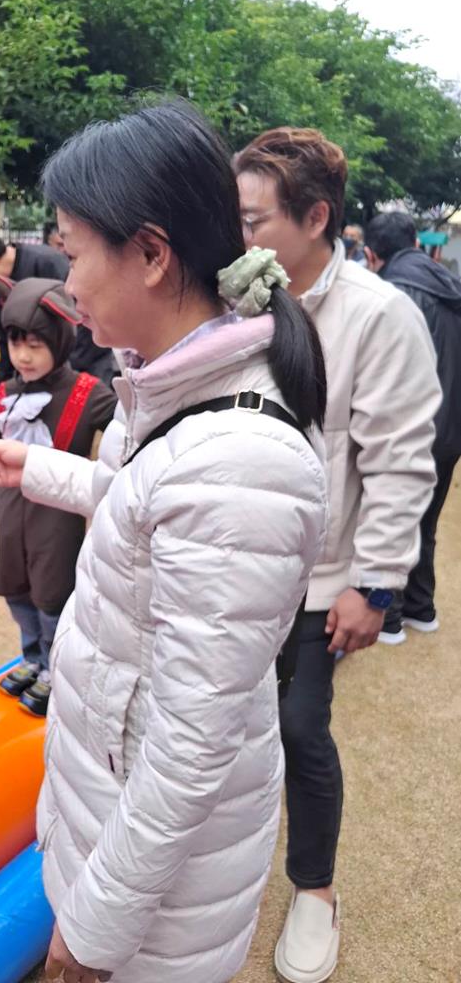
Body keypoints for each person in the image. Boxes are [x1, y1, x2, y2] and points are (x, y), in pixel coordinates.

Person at [0, 99, 329, 983]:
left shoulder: (240, 461)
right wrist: (39, 468)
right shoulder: (167, 387)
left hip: (157, 903)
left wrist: (94, 931)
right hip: (110, 812)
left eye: (72, 251)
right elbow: (146, 510)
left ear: (153, 255)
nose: (64, 283)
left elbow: (188, 752)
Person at [234, 128, 440, 983]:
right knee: (220, 714)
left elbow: (400, 461)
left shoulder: (379, 314)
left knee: (297, 725)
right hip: (234, 558)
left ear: (315, 217)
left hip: (320, 576)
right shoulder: (241, 298)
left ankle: (313, 889)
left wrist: (375, 584)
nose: (238, 235)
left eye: (253, 220)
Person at [0, 272, 115, 717]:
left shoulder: (88, 393)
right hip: (12, 508)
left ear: (60, 339)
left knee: (53, 592)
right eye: (16, 344)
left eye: (35, 344)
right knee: (16, 587)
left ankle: (57, 666)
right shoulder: (7, 393)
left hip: (58, 514)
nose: (23, 356)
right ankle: (31, 657)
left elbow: (130, 431)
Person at [364, 211, 461, 639]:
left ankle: (388, 616)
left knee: (391, 521)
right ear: (417, 244)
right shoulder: (450, 287)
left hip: (410, 430)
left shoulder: (393, 295)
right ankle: (421, 608)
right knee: (426, 521)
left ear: (372, 255)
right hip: (450, 430)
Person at [0, 227, 117, 387]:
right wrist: (2, 383)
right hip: (42, 368)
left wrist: (64, 368)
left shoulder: (48, 262)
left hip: (84, 358)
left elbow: (81, 317)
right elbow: (6, 337)